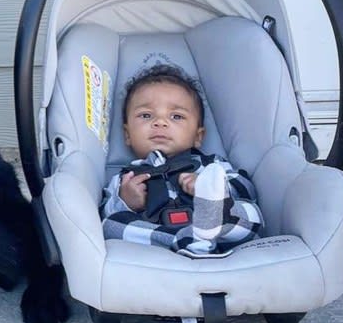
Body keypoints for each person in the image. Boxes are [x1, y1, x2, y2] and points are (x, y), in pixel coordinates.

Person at [100, 64, 263, 257]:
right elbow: (108, 210)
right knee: (110, 225)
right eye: (146, 115)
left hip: (220, 229)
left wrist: (211, 186)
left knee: (250, 211)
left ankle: (207, 225)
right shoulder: (126, 177)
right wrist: (125, 201)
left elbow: (247, 190)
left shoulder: (211, 165)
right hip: (162, 235)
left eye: (176, 116)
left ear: (198, 136)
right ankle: (190, 240)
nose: (160, 122)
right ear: (127, 135)